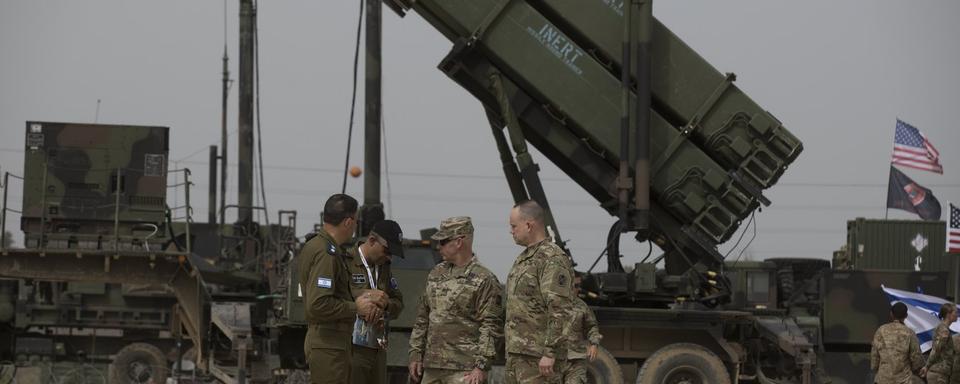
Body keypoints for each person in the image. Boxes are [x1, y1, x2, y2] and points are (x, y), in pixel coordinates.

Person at [298, 194, 386, 384]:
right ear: (348, 221)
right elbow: (318, 304)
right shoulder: (326, 253)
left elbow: (333, 292)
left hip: (330, 343)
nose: (356, 226)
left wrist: (364, 294)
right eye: (355, 220)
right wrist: (357, 308)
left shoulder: (318, 246)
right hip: (329, 345)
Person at [408, 216, 503, 384]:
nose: (438, 247)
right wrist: (415, 354)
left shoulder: (484, 279)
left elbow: (490, 326)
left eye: (443, 242)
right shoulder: (436, 273)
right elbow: (423, 318)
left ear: (459, 242)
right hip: (432, 368)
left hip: (465, 370)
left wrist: (481, 366)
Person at [505, 200, 575, 383]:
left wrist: (550, 352)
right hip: (518, 355)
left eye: (514, 226)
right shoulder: (524, 259)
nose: (511, 231)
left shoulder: (552, 259)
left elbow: (560, 310)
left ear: (528, 225)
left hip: (538, 359)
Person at [348, 219, 406, 384]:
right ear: (372, 241)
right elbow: (332, 298)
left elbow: (398, 303)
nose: (389, 256)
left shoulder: (384, 268)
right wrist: (363, 298)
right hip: (351, 347)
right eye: (387, 250)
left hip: (377, 346)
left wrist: (385, 305)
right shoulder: (346, 261)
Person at [561, 274, 602, 384]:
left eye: (578, 285)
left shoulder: (582, 306)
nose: (577, 289)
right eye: (574, 285)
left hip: (576, 359)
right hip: (555, 358)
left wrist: (594, 343)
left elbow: (592, 326)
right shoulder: (553, 304)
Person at [870, 302, 924, 384]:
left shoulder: (881, 330)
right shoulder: (909, 333)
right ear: (906, 316)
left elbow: (874, 356)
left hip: (883, 379)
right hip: (903, 380)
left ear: (891, 314)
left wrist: (875, 368)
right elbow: (916, 358)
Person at [924, 303, 958, 383]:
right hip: (938, 374)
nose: (957, 315)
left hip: (940, 373)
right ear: (948, 314)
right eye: (955, 312)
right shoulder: (944, 330)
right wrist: (927, 366)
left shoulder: (942, 328)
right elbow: (936, 349)